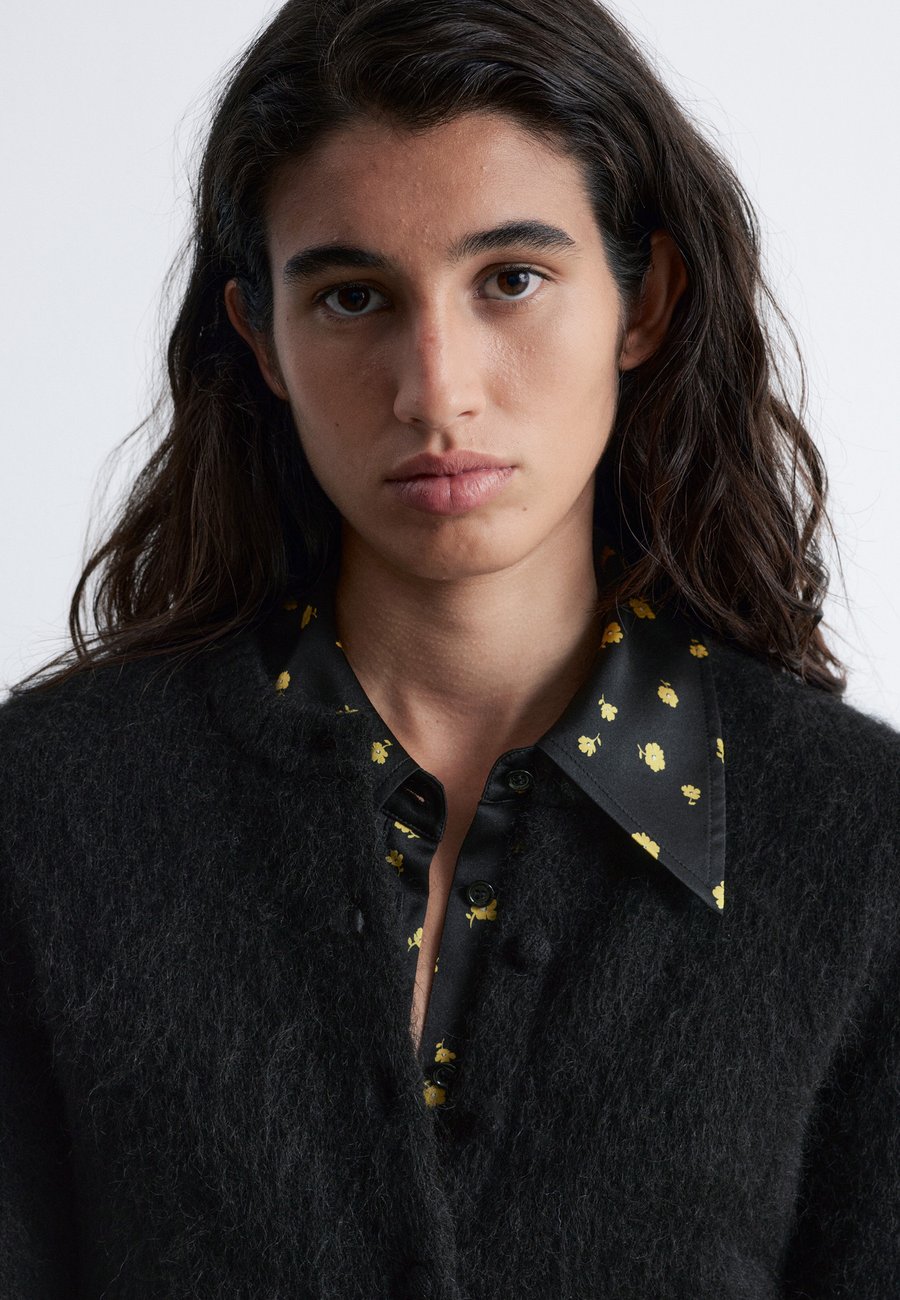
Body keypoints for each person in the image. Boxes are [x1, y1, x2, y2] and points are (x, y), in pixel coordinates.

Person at [1, 1, 897, 1296]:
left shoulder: (860, 846)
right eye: (352, 296)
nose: (437, 389)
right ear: (261, 338)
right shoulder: (48, 813)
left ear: (644, 302)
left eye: (511, 279)